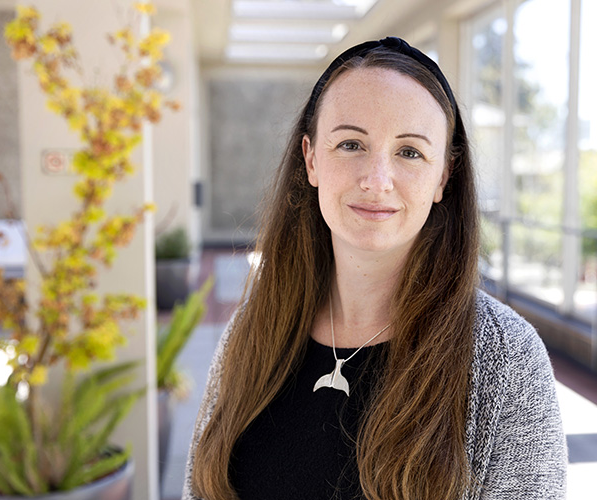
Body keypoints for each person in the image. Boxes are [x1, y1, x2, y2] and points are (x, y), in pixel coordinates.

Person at [182, 37, 567, 500]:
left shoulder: (507, 362)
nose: (376, 180)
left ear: (443, 176)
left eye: (409, 152)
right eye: (350, 144)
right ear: (311, 159)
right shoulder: (253, 329)